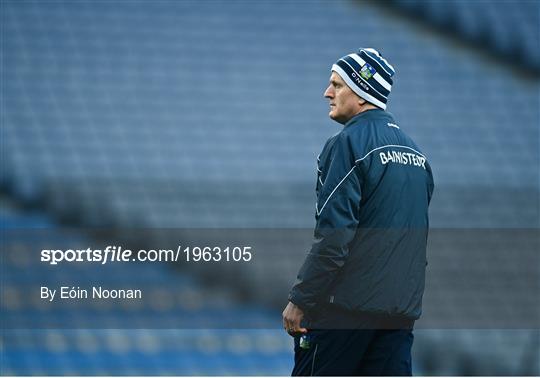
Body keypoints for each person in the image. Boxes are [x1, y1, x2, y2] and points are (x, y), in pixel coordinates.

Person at [282, 48, 434, 376]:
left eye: (337, 85)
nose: (327, 93)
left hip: (344, 315)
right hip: (398, 318)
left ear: (362, 93)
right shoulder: (418, 156)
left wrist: (301, 299)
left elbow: (334, 238)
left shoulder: (347, 144)